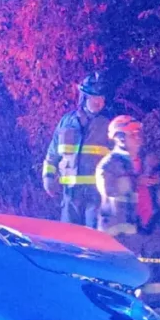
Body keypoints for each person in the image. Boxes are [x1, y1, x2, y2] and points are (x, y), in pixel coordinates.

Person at [95, 115, 160, 256]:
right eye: (133, 135)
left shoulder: (147, 161)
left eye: (139, 134)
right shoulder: (109, 164)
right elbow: (109, 189)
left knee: (156, 273)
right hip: (121, 233)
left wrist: (159, 179)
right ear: (119, 138)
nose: (138, 138)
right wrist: (135, 182)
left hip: (149, 228)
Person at [42, 73, 112, 228]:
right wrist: (48, 178)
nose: (99, 102)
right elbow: (52, 154)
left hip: (96, 195)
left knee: (94, 240)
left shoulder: (108, 125)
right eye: (95, 98)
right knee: (69, 238)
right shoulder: (66, 122)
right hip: (70, 195)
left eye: (102, 98)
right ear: (85, 98)